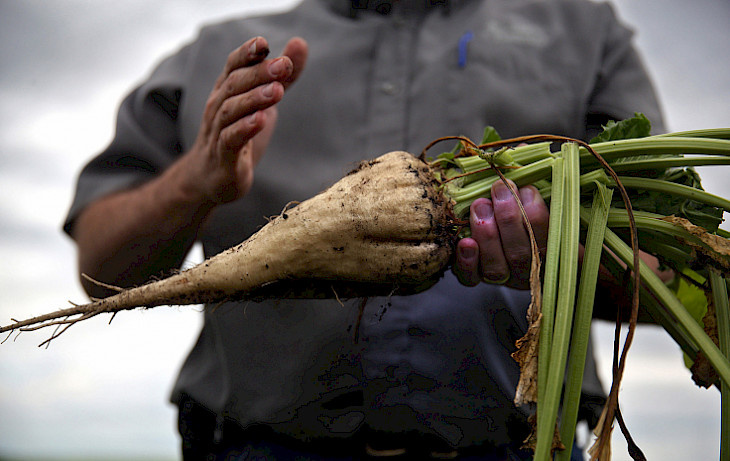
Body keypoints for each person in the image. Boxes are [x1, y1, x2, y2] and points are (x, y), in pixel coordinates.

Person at [63, 0, 666, 459]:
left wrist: (560, 255)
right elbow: (102, 267)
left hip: (515, 447)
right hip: (251, 447)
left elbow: (666, 267)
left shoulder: (584, 34)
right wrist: (194, 179)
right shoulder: (218, 53)